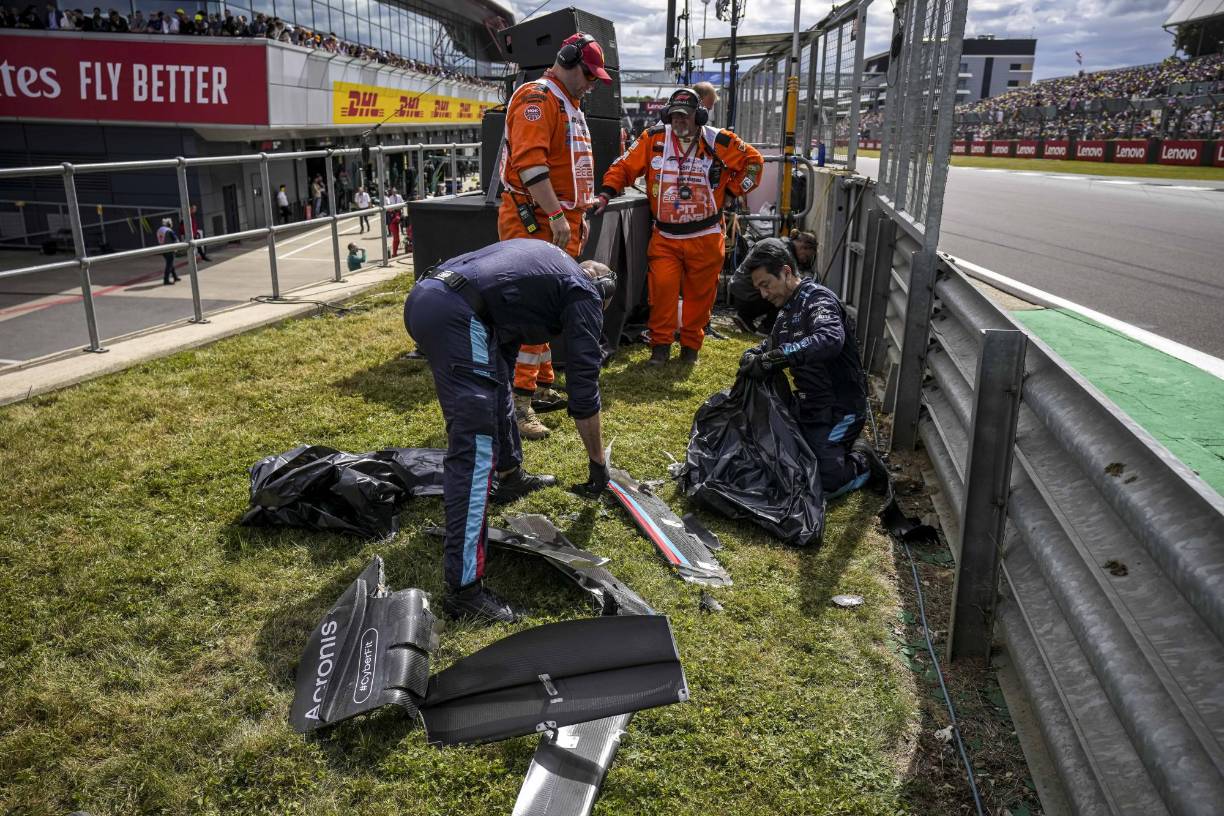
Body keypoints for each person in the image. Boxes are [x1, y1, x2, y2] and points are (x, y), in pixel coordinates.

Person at [403, 238, 617, 624]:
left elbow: (505, 350)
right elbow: (584, 387)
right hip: (457, 314)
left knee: (497, 383)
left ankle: (510, 475)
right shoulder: (584, 291)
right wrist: (598, 463)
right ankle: (465, 590)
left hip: (429, 297)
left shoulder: (550, 270)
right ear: (600, 294)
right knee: (474, 449)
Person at [497, 32, 611, 439]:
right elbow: (530, 166)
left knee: (549, 306)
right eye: (588, 73)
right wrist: (558, 214)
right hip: (537, 219)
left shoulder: (567, 102)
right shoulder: (538, 98)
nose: (592, 83)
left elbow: (572, 167)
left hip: (559, 218)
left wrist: (576, 212)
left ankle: (541, 386)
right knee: (532, 310)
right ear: (566, 59)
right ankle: (519, 404)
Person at [597, 87, 764, 365]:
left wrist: (733, 191)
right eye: (674, 115)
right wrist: (606, 193)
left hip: (706, 235)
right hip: (665, 235)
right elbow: (623, 167)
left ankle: (690, 349)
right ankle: (660, 348)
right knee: (662, 291)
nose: (679, 120)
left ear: (699, 116)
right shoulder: (653, 138)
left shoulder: (719, 140)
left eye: (685, 115)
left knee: (700, 297)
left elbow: (754, 164)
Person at [737, 238, 885, 498]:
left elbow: (829, 339)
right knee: (774, 460)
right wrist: (752, 356)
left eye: (766, 285)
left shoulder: (818, 299)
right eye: (758, 288)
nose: (763, 295)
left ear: (786, 272)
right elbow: (769, 346)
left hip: (842, 409)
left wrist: (777, 358)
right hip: (809, 407)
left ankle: (862, 459)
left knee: (825, 482)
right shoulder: (784, 313)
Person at [729, 230, 818, 334]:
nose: (805, 261)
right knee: (787, 292)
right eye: (807, 257)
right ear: (804, 247)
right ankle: (767, 328)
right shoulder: (784, 253)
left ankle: (744, 316)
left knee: (772, 287)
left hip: (737, 290)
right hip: (748, 293)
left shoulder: (777, 243)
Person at [156, 218, 181, 285]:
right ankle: (166, 280)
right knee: (169, 265)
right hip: (169, 249)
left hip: (163, 249)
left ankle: (175, 277)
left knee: (170, 263)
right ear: (169, 224)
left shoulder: (160, 230)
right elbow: (176, 240)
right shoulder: (169, 231)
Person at [386, 186, 404, 255]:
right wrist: (393, 210)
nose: (394, 192)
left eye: (395, 191)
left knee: (398, 237)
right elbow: (389, 208)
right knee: (396, 238)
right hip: (393, 216)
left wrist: (401, 211)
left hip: (398, 212)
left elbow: (402, 204)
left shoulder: (399, 196)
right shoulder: (390, 198)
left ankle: (395, 253)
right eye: (393, 191)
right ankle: (394, 253)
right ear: (391, 192)